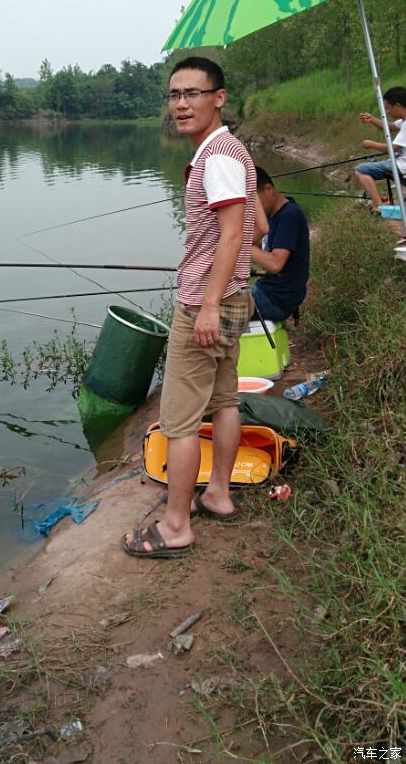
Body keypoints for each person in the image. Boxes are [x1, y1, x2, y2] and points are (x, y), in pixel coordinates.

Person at [122, 56, 258, 559]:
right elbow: (252, 228)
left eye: (193, 93)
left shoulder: (217, 156)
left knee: (177, 420)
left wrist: (204, 305)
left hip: (209, 304)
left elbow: (228, 237)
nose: (181, 104)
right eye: (174, 95)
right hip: (235, 298)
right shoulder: (231, 153)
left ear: (218, 97)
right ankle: (217, 494)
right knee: (223, 400)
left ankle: (176, 525)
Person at [250, 167, 310, 322]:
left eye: (253, 202)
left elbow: (275, 263)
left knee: (217, 311)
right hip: (270, 290)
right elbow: (258, 246)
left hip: (277, 300)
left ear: (268, 189)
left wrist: (239, 244)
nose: (252, 208)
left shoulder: (288, 216)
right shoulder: (272, 214)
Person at [354, 86, 406, 212]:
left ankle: (379, 206)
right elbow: (391, 127)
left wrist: (371, 144)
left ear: (397, 106)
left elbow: (393, 148)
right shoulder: (403, 121)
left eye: (388, 108)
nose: (387, 112)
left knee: (361, 170)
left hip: (403, 166)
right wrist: (372, 119)